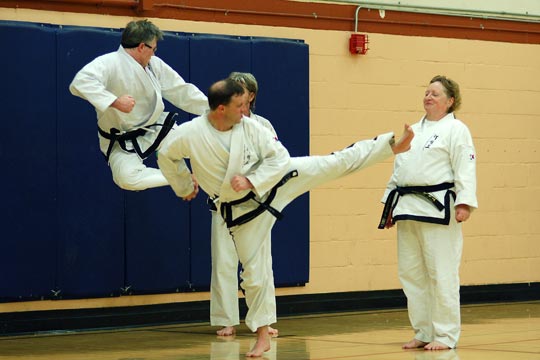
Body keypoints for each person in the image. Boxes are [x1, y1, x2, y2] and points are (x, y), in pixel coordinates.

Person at [157, 78, 414, 357]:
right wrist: (184, 185)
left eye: (246, 104)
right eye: (240, 105)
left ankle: (391, 147)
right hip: (243, 213)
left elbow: (279, 158)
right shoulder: (190, 134)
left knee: (331, 163)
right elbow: (165, 156)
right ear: (221, 108)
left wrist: (252, 179)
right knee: (254, 275)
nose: (246, 110)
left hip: (276, 182)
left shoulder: (251, 127)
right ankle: (263, 335)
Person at [378, 75, 477, 351]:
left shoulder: (457, 130)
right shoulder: (414, 130)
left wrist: (464, 202)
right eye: (426, 93)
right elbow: (400, 169)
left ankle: (445, 335)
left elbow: (465, 167)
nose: (428, 97)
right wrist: (389, 207)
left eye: (435, 94)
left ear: (450, 100)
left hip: (438, 206)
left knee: (441, 273)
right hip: (407, 207)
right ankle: (423, 330)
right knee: (410, 273)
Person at [69, 19, 208, 191]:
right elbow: (80, 82)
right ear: (142, 46)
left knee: (199, 142)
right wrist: (115, 101)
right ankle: (175, 178)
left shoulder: (154, 65)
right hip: (121, 140)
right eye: (153, 49)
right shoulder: (109, 62)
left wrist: (212, 108)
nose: (154, 54)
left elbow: (181, 91)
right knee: (126, 178)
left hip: (157, 129)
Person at [210, 72, 279, 337]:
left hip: (256, 205)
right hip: (224, 202)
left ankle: (265, 319)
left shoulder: (263, 126)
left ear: (251, 95)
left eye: (240, 90)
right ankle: (227, 319)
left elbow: (276, 162)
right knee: (224, 262)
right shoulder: (216, 123)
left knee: (261, 264)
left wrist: (255, 182)